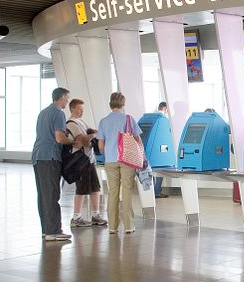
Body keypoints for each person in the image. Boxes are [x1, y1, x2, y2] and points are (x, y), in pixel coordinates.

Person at [32, 87, 89, 242]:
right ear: (62, 98)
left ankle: (46, 230)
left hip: (38, 157)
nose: (67, 101)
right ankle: (54, 231)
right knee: (52, 194)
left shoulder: (43, 112)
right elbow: (59, 138)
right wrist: (73, 141)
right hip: (50, 157)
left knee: (43, 195)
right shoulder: (58, 113)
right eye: (67, 98)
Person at [98, 92, 143, 234]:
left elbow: (100, 144)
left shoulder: (103, 121)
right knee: (127, 191)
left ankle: (112, 226)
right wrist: (142, 155)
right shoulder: (128, 119)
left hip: (110, 160)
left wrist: (108, 154)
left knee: (112, 192)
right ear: (123, 104)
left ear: (110, 104)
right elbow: (138, 140)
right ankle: (128, 226)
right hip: (126, 159)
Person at [67, 99, 107, 228]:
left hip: (90, 159)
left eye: (82, 109)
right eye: (79, 109)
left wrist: (91, 134)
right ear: (72, 109)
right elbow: (84, 141)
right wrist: (93, 134)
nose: (82, 111)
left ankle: (96, 215)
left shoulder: (81, 122)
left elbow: (87, 137)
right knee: (81, 189)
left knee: (95, 188)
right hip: (81, 161)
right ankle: (76, 216)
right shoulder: (71, 123)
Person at [153, 101, 169, 199]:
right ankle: (157, 191)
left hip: (153, 147)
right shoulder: (163, 117)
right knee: (160, 169)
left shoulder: (152, 115)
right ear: (164, 108)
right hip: (161, 146)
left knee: (153, 169)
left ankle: (153, 191)